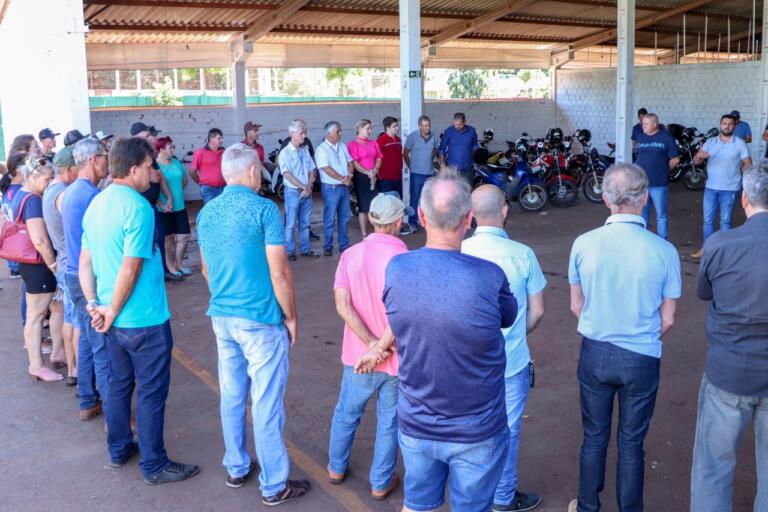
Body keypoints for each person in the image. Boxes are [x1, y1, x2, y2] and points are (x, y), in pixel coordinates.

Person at [356, 170, 518, 512]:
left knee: (417, 506)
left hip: (418, 424)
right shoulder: (489, 277)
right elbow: (510, 316)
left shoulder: (397, 269)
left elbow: (402, 317)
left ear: (423, 215)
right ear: (469, 219)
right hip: (478, 429)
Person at [196, 143, 311, 505]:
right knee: (265, 403)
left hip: (222, 318)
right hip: (260, 320)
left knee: (232, 395)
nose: (261, 173)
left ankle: (236, 466)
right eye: (259, 168)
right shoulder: (265, 210)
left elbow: (205, 269)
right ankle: (274, 484)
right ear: (249, 172)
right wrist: (290, 316)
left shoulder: (206, 213)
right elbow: (280, 273)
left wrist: (226, 297)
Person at [80, 136, 199, 484]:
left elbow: (84, 262)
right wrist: (112, 310)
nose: (155, 172)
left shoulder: (97, 203)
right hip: (142, 319)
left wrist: (95, 305)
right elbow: (131, 267)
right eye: (150, 166)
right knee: (150, 391)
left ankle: (118, 449)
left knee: (118, 386)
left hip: (109, 318)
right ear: (133, 169)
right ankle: (154, 463)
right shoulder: (138, 208)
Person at [567, 163, 681, 512]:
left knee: (594, 436)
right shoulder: (664, 250)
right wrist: (640, 334)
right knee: (632, 443)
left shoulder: (583, 243)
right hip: (642, 356)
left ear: (605, 199)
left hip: (595, 352)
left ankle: (588, 506)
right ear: (645, 199)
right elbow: (668, 317)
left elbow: (576, 306)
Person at [462, 185, 546, 512]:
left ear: (470, 216)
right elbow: (537, 310)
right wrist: (515, 335)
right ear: (505, 211)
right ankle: (503, 497)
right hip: (511, 361)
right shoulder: (523, 254)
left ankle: (470, 491)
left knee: (469, 426)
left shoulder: (460, 250)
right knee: (508, 430)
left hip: (467, 363)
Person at [690, 162, 768, 512]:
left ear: (744, 198)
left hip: (728, 371)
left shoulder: (720, 244)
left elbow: (705, 293)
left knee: (713, 467)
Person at [327, 193, 410, 501]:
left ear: (373, 220)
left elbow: (343, 305)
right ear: (398, 221)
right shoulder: (403, 257)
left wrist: (370, 345)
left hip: (358, 356)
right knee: (389, 421)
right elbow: (405, 312)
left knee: (347, 412)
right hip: (396, 358)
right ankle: (380, 482)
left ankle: (336, 467)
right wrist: (382, 346)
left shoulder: (350, 255)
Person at [61, 137, 110, 420]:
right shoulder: (90, 196)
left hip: (73, 275)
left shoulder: (71, 192)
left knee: (88, 341)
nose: (107, 161)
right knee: (101, 344)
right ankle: (112, 414)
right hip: (87, 277)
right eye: (104, 156)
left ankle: (87, 400)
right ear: (93, 160)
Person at [9, 157, 59, 382]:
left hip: (29, 263)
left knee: (38, 314)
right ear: (35, 176)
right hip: (38, 263)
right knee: (37, 315)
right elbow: (39, 239)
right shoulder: (32, 200)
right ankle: (37, 365)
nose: (50, 184)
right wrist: (53, 264)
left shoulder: (20, 193)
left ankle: (53, 355)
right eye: (48, 179)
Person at [43, 146, 81, 386]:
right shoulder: (64, 195)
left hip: (63, 262)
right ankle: (77, 369)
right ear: (68, 169)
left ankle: (73, 367)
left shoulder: (51, 190)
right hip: (69, 264)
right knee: (76, 321)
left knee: (69, 317)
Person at [690, 114, 752, 259]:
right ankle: (707, 249)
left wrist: (744, 171)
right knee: (708, 220)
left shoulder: (739, 143)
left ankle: (723, 252)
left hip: (730, 188)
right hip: (711, 187)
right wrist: (699, 156)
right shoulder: (711, 142)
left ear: (734, 126)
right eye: (724, 123)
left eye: (730, 124)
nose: (727, 126)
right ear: (720, 124)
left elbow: (748, 163)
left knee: (725, 221)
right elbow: (696, 162)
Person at [634, 113, 679, 239]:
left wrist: (664, 170)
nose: (643, 126)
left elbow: (675, 159)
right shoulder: (640, 137)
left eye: (646, 124)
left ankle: (662, 241)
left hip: (658, 183)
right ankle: (643, 240)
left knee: (661, 215)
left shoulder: (666, 137)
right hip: (641, 184)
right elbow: (639, 156)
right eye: (643, 123)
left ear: (654, 124)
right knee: (642, 215)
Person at [279, 119, 319, 260]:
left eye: (305, 133)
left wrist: (308, 187)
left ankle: (305, 249)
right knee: (290, 224)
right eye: (302, 133)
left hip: (305, 192)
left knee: (305, 223)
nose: (304, 136)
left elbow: (312, 170)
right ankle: (289, 251)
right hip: (293, 192)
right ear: (293, 134)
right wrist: (304, 187)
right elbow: (287, 174)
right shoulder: (285, 153)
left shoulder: (304, 151)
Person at [315, 121, 353, 256]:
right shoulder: (321, 149)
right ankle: (328, 245)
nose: (341, 133)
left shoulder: (342, 146)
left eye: (340, 130)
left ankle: (343, 244)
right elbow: (325, 168)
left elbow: (350, 162)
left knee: (344, 217)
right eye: (338, 131)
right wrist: (342, 178)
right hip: (331, 187)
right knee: (329, 218)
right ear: (329, 133)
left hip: (344, 187)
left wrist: (349, 175)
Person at [155, 136, 191, 276]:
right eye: (170, 147)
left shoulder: (176, 162)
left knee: (184, 237)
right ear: (161, 149)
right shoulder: (156, 166)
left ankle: (179, 264)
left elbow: (184, 180)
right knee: (168, 239)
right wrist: (161, 203)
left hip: (180, 206)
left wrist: (178, 193)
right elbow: (154, 188)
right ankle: (171, 267)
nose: (173, 149)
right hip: (165, 209)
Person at [347, 119, 382, 237]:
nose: (370, 131)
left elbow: (379, 158)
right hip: (361, 177)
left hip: (374, 176)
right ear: (360, 129)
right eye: (368, 128)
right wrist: (369, 173)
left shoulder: (374, 143)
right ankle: (364, 233)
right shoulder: (353, 144)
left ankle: (377, 231)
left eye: (370, 128)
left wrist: (375, 171)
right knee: (363, 206)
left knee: (375, 204)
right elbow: (355, 163)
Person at [403, 115, 438, 232]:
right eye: (425, 126)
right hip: (416, 174)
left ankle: (427, 222)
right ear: (420, 126)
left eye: (429, 125)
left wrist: (429, 161)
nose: (428, 128)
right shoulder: (412, 137)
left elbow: (434, 151)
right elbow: (405, 153)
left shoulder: (434, 136)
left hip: (430, 173)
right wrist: (410, 166)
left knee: (429, 200)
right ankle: (412, 223)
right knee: (414, 199)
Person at [2, 151, 27, 280]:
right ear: (18, 170)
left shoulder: (11, 189)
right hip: (21, 251)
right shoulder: (19, 192)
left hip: (16, 250)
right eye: (28, 163)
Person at [438, 112, 479, 181]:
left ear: (465, 122)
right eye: (455, 124)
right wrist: (442, 164)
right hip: (453, 169)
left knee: (467, 189)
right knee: (454, 190)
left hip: (468, 168)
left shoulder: (472, 131)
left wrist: (469, 154)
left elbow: (475, 145)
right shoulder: (448, 132)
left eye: (460, 125)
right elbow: (442, 149)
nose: (457, 127)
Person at [190, 128, 225, 204]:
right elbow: (192, 172)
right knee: (211, 212)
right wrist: (201, 183)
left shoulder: (224, 152)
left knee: (222, 211)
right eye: (219, 138)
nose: (221, 141)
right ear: (211, 139)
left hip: (223, 188)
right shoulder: (200, 153)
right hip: (209, 190)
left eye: (222, 138)